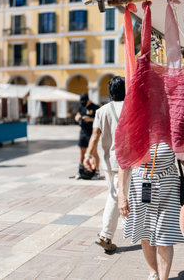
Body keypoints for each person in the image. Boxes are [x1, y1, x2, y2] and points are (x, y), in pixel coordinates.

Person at [118, 144, 184, 280]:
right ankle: (153, 273)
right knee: (145, 233)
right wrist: (121, 196)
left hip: (168, 187)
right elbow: (123, 165)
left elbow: (181, 153)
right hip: (141, 185)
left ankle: (164, 278)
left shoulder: (172, 129)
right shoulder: (135, 128)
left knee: (165, 237)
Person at [84, 76, 130, 253]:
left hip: (107, 161)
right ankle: (106, 234)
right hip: (124, 160)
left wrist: (88, 154)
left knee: (117, 193)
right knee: (117, 195)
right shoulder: (130, 108)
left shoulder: (101, 111)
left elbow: (95, 135)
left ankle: (128, 228)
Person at [74, 93, 99, 177]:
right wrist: (78, 118)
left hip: (92, 133)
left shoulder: (96, 107)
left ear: (89, 100)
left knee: (94, 152)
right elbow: (77, 115)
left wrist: (90, 119)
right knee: (82, 152)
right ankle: (80, 171)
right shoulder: (82, 106)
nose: (84, 104)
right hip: (83, 132)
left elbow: (99, 119)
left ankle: (97, 171)